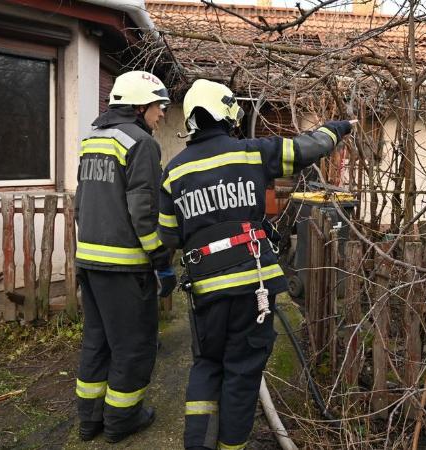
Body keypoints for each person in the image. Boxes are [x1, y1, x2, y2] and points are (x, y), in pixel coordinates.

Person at [158, 79, 352, 450]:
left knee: (207, 364)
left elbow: (168, 236)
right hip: (254, 288)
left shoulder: (174, 171)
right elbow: (311, 146)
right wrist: (337, 128)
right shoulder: (254, 152)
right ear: (226, 113)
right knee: (243, 371)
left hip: (205, 290)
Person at [74, 70, 177, 443]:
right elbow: (143, 212)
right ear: (139, 106)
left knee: (97, 342)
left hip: (89, 261)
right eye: (158, 106)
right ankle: (121, 421)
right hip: (124, 267)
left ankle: (90, 422)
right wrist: (161, 262)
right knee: (133, 347)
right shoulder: (141, 143)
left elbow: (80, 203)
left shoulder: (92, 139)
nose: (161, 114)